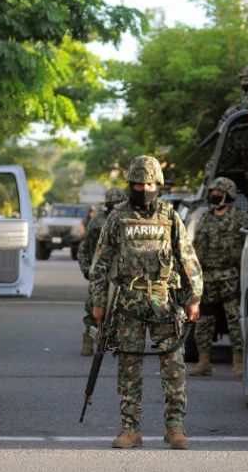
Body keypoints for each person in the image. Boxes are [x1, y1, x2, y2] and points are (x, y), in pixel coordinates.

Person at [89, 155, 203, 450]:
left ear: (159, 184)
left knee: (173, 366)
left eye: (150, 183)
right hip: (128, 302)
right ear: (131, 184)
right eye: (139, 183)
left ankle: (175, 427)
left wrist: (195, 297)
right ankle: (130, 429)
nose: (144, 188)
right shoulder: (117, 217)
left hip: (164, 301)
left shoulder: (169, 215)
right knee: (129, 366)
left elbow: (187, 257)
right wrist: (98, 303)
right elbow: (100, 263)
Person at [189, 177, 248, 378]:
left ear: (228, 194)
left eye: (218, 192)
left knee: (234, 320)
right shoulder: (206, 218)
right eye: (213, 192)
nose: (214, 196)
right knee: (204, 321)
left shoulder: (240, 218)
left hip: (230, 276)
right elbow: (197, 245)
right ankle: (204, 361)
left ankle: (239, 362)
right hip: (208, 277)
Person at [78, 187, 127, 356]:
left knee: (121, 308)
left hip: (119, 274)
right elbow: (84, 248)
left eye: (118, 202)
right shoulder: (97, 222)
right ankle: (89, 339)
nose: (114, 206)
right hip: (99, 272)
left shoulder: (128, 220)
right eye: (111, 202)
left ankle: (115, 340)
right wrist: (87, 269)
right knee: (93, 306)